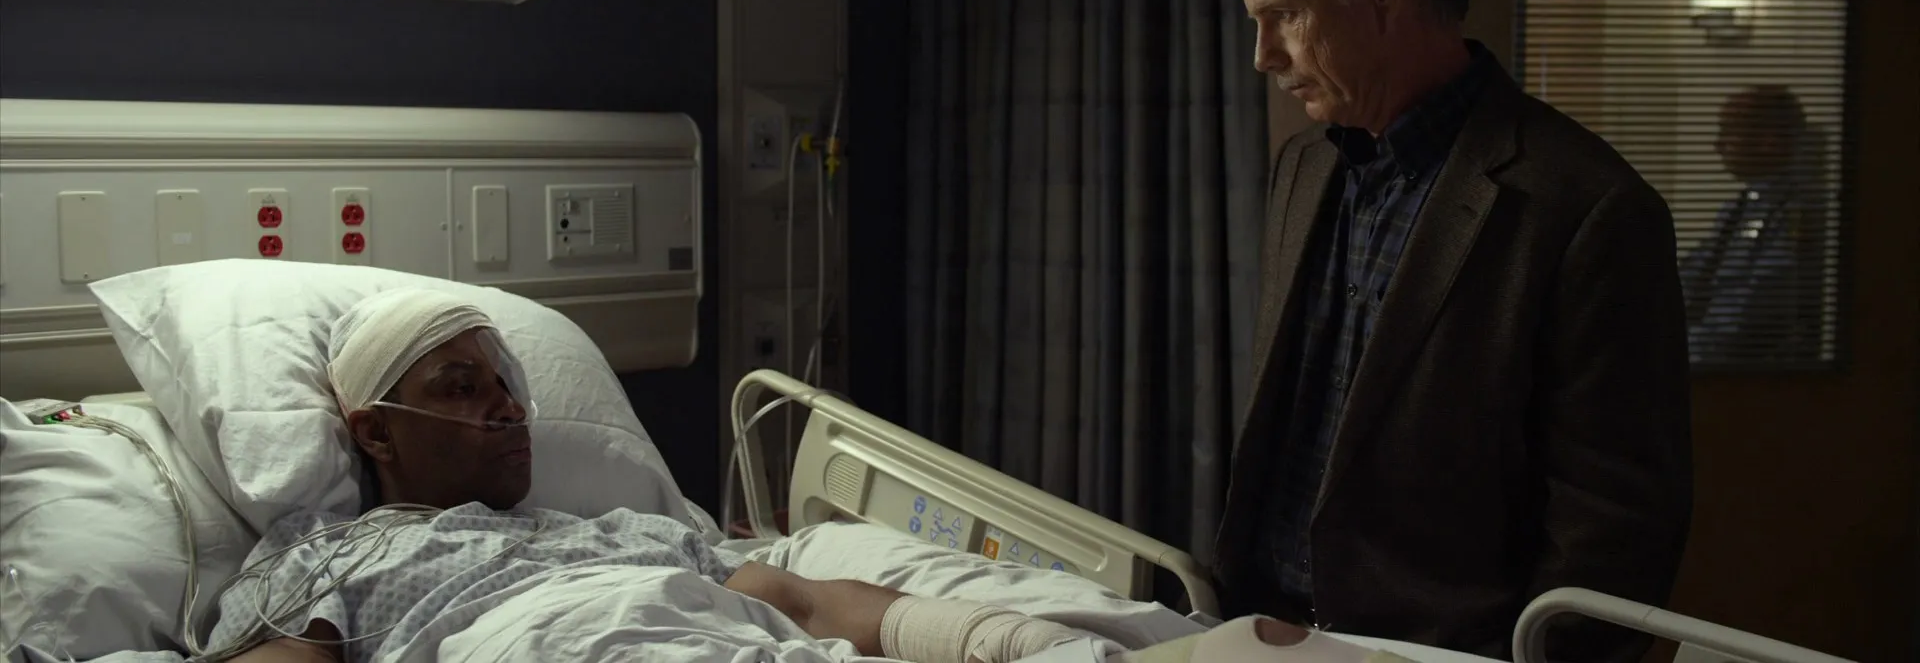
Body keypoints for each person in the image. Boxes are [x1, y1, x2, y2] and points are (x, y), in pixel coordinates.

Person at [206, 288, 1354, 663]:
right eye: (460, 386)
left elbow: (799, 597)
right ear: (374, 430)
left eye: (506, 380)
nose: (506, 403)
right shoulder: (328, 558)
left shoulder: (607, 528)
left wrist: (1022, 644)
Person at [1207, 0, 1693, 661]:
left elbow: (1615, 537)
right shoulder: (1302, 167)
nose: (1263, 54)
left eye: (1284, 13)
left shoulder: (1590, 209)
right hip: (1258, 633)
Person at [1680, 85, 1827, 364]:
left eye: (1729, 132)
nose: (1718, 145)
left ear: (1768, 140)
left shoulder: (1796, 212)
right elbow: (1690, 277)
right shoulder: (1738, 209)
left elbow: (1754, 306)